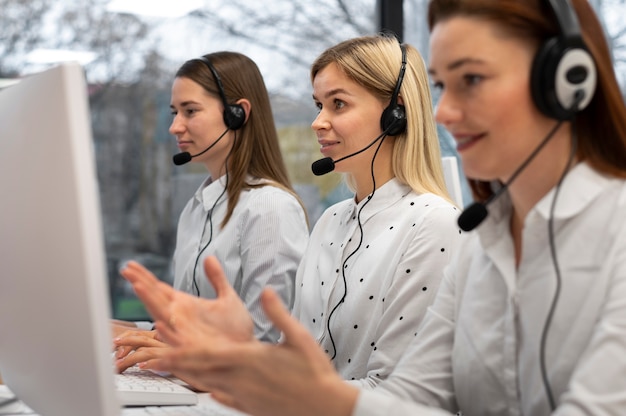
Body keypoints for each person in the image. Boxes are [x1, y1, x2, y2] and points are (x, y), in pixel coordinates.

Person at [118, 0, 626, 414]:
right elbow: (414, 398)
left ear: (566, 81)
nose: (445, 111)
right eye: (444, 86)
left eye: (470, 79)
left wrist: (249, 364)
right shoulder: (482, 242)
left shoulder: (451, 227)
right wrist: (243, 360)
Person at [116, 34, 462, 386]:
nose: (318, 122)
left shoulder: (434, 224)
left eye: (338, 104)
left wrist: (226, 368)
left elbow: (397, 393)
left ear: (395, 113)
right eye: (318, 105)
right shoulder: (331, 221)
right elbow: (289, 358)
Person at [112, 51, 309, 364]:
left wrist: (175, 352)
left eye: (190, 111)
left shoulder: (270, 208)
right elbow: (187, 328)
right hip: (187, 383)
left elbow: (265, 343)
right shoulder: (196, 207)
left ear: (237, 113)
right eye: (175, 112)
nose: (175, 127)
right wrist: (123, 331)